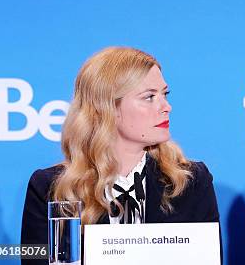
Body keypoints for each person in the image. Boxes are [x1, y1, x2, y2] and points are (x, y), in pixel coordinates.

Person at [21, 47, 220, 263]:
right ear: (107, 107)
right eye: (149, 97)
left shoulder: (190, 181)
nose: (167, 107)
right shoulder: (51, 188)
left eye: (165, 94)